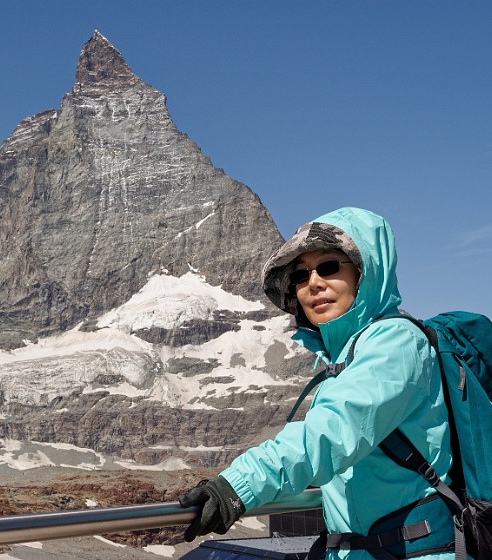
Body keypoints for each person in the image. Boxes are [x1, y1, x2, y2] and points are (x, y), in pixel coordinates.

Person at [179, 207, 456, 560]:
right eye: (299, 275)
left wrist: (237, 486)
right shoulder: (347, 356)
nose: (313, 283)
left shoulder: (395, 344)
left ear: (365, 273)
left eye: (328, 267)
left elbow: (328, 434)